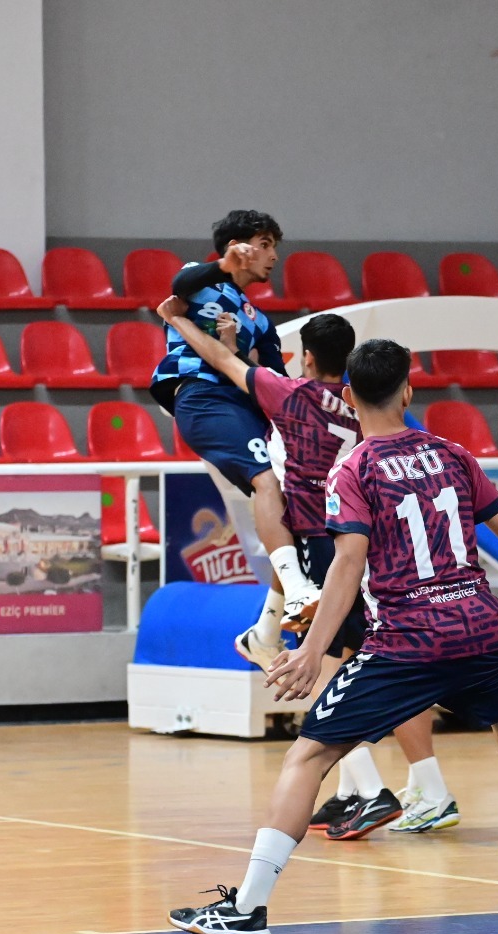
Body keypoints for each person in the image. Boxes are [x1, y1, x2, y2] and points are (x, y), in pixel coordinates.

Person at [167, 338, 498, 934]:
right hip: (480, 630)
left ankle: (248, 909)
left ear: (348, 396)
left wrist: (312, 648)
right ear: (409, 391)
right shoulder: (454, 454)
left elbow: (347, 565)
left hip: (407, 641)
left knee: (308, 758)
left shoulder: (353, 469)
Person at [157, 303, 461, 839]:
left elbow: (222, 364)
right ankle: (372, 788)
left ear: (307, 358)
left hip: (327, 546)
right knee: (369, 659)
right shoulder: (362, 405)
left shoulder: (290, 394)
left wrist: (178, 322)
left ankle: (393, 791)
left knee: (332, 666)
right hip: (371, 542)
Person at [148, 209, 320, 630]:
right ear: (237, 247)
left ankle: (266, 631)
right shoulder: (200, 279)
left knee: (294, 501)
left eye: (274, 247)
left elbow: (273, 381)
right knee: (267, 480)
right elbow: (181, 284)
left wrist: (237, 350)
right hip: (202, 397)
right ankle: (298, 591)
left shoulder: (260, 321)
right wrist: (224, 266)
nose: (274, 256)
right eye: (265, 245)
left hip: (243, 407)